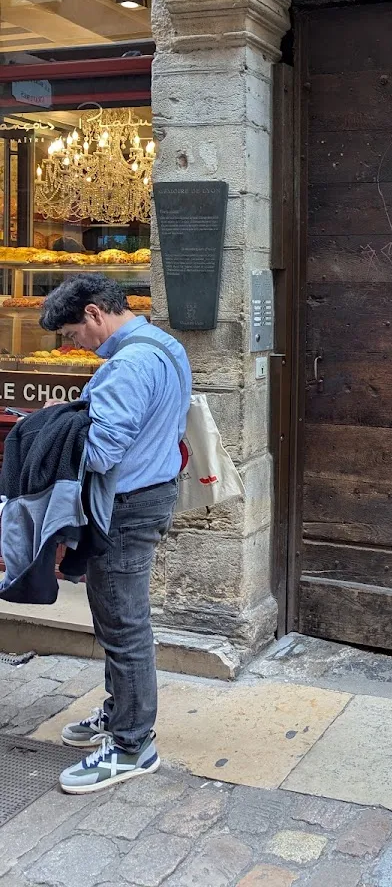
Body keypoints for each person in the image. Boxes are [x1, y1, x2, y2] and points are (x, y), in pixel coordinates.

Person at [37, 274, 191, 794]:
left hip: (125, 507)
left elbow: (102, 452)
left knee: (123, 625)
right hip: (150, 494)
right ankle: (119, 713)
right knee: (116, 617)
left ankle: (131, 745)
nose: (73, 344)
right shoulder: (164, 344)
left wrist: (58, 421)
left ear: (95, 313)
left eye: (72, 334)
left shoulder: (126, 366)